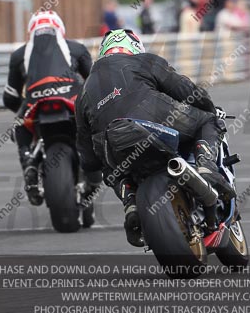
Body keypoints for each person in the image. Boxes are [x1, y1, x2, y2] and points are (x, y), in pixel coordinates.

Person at [75, 29, 233, 247]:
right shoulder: (144, 61)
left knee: (107, 165)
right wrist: (209, 108)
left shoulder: (83, 90)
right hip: (154, 118)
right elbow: (187, 91)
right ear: (135, 48)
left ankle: (130, 201)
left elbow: (87, 159)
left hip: (111, 142)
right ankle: (207, 168)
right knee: (207, 121)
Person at [2, 10, 98, 221]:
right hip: (70, 101)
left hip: (35, 102)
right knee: (95, 122)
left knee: (19, 123)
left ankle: (28, 161)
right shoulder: (76, 48)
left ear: (31, 32)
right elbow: (94, 83)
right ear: (60, 30)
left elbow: (9, 97)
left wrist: (23, 108)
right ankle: (95, 167)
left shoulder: (20, 54)